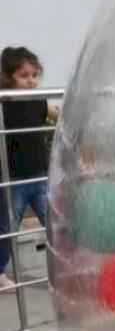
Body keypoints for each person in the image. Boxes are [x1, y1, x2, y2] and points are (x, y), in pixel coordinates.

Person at [0, 47, 55, 291]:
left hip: (40, 175)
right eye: (24, 75)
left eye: (34, 75)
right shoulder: (4, 103)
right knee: (7, 229)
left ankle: (65, 270)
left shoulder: (38, 99)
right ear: (8, 77)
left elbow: (52, 113)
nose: (31, 80)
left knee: (54, 224)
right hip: (14, 179)